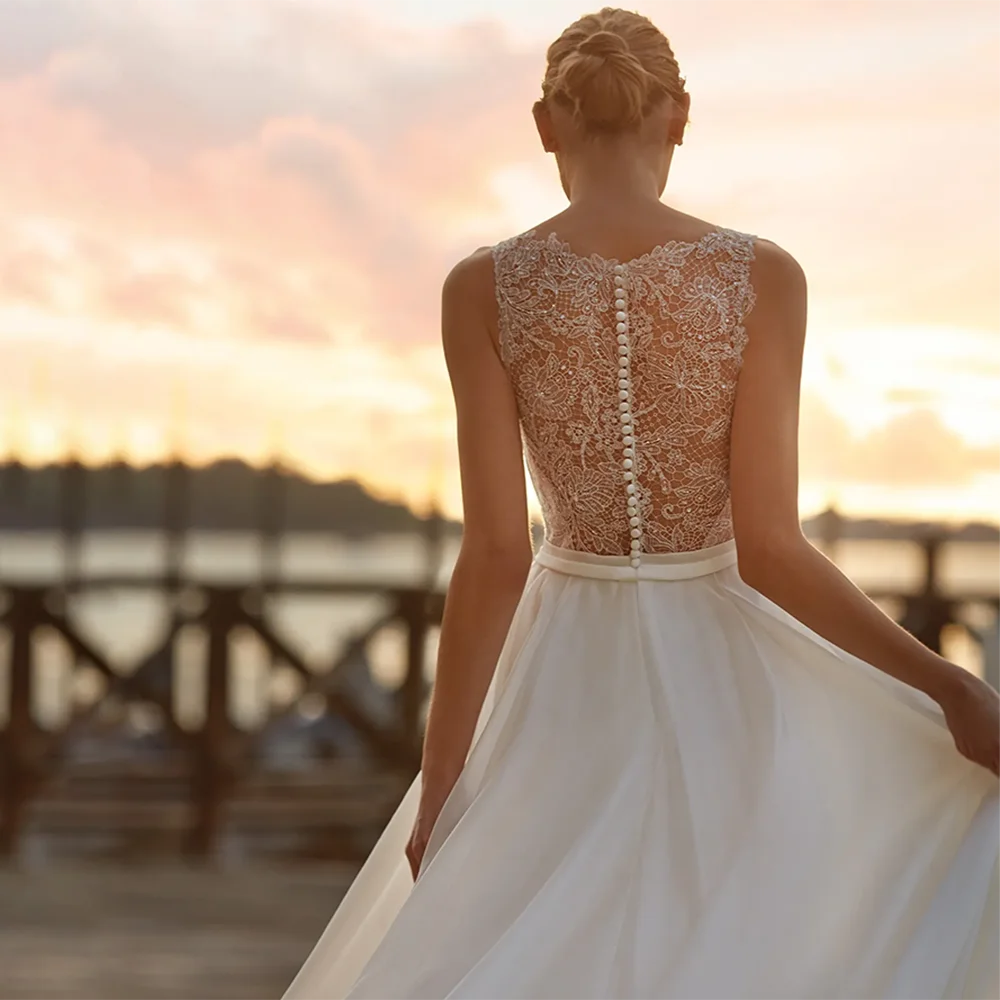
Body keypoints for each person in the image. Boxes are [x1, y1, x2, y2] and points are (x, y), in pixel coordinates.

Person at [283, 8, 1000, 998]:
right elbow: (770, 550)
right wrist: (949, 687)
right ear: (680, 115)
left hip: (562, 675)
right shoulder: (764, 277)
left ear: (546, 124)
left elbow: (494, 552)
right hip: (736, 680)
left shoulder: (482, 288)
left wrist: (441, 775)